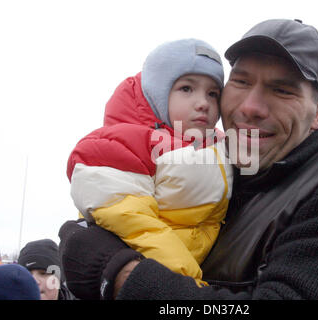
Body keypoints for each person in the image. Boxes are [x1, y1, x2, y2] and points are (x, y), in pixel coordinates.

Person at [59, 19, 318, 300]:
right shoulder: (203, 173)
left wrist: (120, 273)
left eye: (281, 90)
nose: (250, 107)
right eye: (241, 82)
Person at [65, 38, 232, 298]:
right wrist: (186, 282)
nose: (203, 103)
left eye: (213, 93)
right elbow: (134, 223)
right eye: (186, 88)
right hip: (154, 279)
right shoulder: (123, 143)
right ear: (156, 93)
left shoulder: (221, 145)